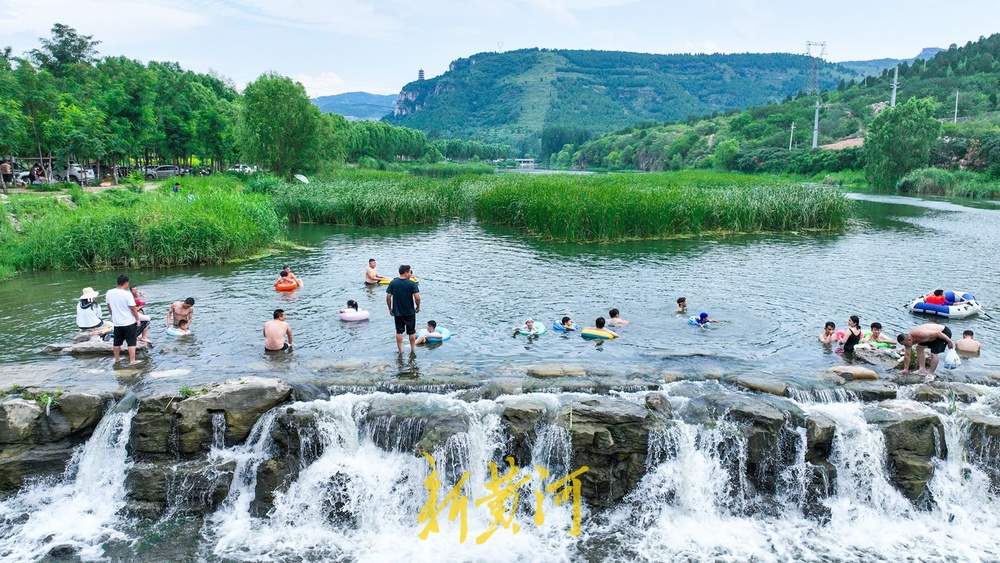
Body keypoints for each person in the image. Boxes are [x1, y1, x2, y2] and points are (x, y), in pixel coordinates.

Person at [386, 265, 421, 354]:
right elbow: (417, 298)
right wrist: (418, 306)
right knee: (411, 332)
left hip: (397, 312)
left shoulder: (393, 283)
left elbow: (388, 297)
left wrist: (390, 309)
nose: (410, 273)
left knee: (399, 331)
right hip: (409, 312)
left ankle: (400, 351)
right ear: (406, 272)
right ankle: (413, 350)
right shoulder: (412, 284)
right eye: (410, 272)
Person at [107, 274, 141, 364]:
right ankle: (132, 361)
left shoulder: (109, 292)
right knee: (131, 342)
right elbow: (133, 308)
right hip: (128, 322)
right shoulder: (127, 294)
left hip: (117, 322)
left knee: (117, 342)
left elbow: (109, 306)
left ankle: (117, 359)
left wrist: (113, 315)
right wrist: (137, 319)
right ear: (126, 283)